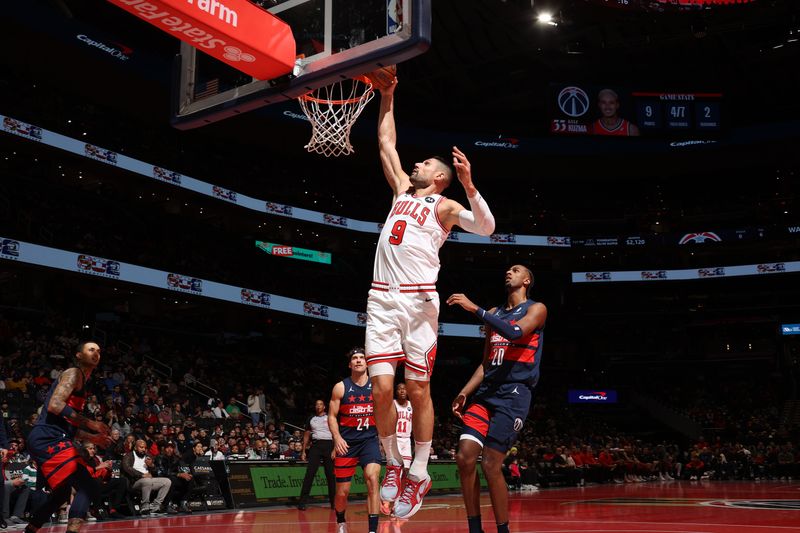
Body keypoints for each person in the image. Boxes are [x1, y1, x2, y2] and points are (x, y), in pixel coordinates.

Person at [367, 74, 496, 520]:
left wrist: (470, 184)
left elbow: (487, 228)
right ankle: (393, 464)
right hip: (381, 300)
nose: (415, 164)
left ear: (439, 177)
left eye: (423, 164)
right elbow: (386, 142)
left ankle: (419, 471)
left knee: (418, 388)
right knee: (382, 390)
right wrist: (388, 94)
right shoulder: (401, 191)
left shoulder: (443, 206)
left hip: (420, 304)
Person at [447, 265, 547, 533]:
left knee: (491, 463)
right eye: (507, 270)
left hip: (514, 394)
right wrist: (465, 391)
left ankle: (503, 529)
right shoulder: (494, 313)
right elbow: (486, 363)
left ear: (526, 280)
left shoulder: (536, 309)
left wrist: (474, 309)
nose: (508, 272)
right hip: (486, 392)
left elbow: (515, 332)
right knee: (465, 458)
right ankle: (475, 529)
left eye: (515, 270)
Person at [23, 342, 113, 533]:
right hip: (47, 437)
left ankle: (30, 530)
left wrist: (93, 438)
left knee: (62, 493)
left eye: (99, 350)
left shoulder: (83, 382)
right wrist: (91, 423)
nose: (96, 353)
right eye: (91, 349)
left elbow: (67, 425)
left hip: (52, 436)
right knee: (89, 486)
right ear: (79, 355)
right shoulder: (74, 373)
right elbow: (55, 405)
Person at [329, 348, 381, 533]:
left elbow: (385, 413)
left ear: (367, 363)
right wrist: (337, 438)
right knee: (342, 493)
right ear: (350, 364)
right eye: (355, 358)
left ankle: (373, 530)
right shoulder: (341, 387)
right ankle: (341, 520)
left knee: (373, 479)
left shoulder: (376, 386)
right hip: (347, 443)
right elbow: (332, 416)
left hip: (369, 440)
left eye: (362, 358)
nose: (358, 360)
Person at [297, 399, 335, 511]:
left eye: (320, 404)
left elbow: (335, 434)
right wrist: (303, 451)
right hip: (316, 446)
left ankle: (334, 503)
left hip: (328, 446)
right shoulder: (311, 419)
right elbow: (306, 435)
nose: (318, 406)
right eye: (316, 404)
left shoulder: (330, 417)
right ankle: (302, 503)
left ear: (324, 407)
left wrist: (335, 449)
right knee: (309, 474)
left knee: (330, 476)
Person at [121, 439, 171, 515]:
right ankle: (145, 506)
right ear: (135, 448)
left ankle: (155, 505)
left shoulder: (148, 456)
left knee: (167, 481)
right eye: (141, 447)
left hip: (149, 480)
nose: (143, 449)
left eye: (145, 448)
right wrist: (141, 475)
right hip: (135, 481)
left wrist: (151, 466)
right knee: (147, 481)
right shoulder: (129, 456)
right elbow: (127, 468)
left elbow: (156, 471)